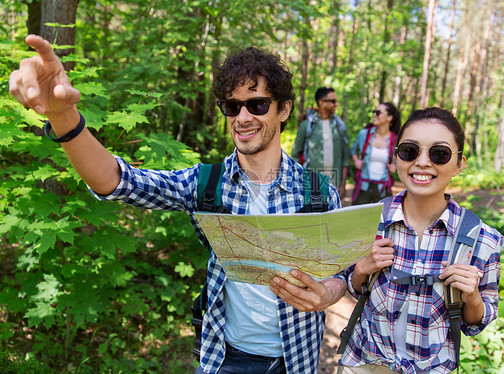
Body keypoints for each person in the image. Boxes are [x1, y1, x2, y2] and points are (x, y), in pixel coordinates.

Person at [9, 35, 349, 374]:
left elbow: (344, 273)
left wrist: (329, 293)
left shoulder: (317, 194)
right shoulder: (206, 184)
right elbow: (117, 181)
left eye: (257, 104)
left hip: (296, 361)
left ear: (284, 109)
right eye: (232, 106)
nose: (242, 117)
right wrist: (63, 114)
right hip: (223, 359)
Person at [339, 107, 504, 373]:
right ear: (397, 156)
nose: (423, 162)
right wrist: (360, 270)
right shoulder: (369, 221)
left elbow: (477, 321)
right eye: (410, 151)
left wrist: (471, 297)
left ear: (459, 163)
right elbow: (353, 285)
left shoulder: (482, 239)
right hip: (364, 362)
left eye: (439, 153)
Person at [291, 87, 350, 197]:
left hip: (334, 182)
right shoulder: (307, 125)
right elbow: (295, 154)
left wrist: (343, 184)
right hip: (312, 181)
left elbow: (345, 157)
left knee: (334, 214)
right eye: (332, 101)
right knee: (312, 213)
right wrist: (298, 181)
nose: (336, 104)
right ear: (321, 102)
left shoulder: (340, 126)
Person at [351, 102, 401, 205]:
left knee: (382, 219)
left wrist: (395, 166)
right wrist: (356, 160)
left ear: (389, 117)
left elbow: (402, 159)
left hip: (383, 188)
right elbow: (353, 151)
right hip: (363, 185)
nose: (374, 115)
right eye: (374, 112)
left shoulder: (395, 140)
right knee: (357, 218)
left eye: (378, 113)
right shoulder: (364, 134)